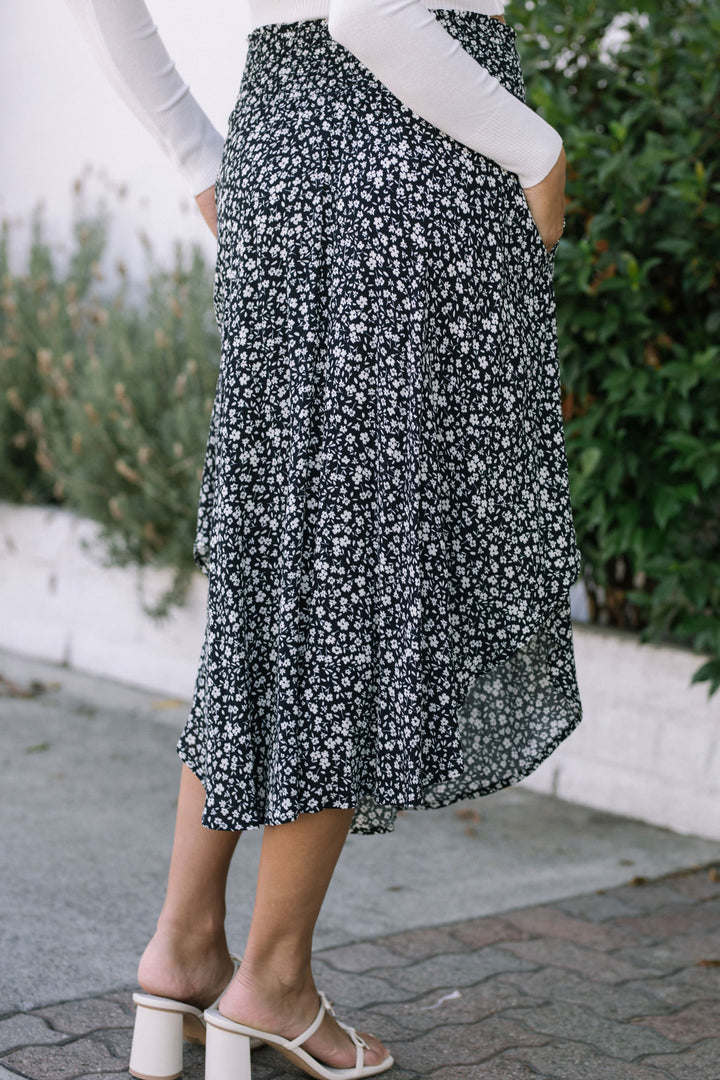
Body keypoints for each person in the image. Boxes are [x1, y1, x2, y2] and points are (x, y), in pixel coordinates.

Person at [65, 1, 583, 1077]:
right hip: (415, 154)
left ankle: (187, 949)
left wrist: (197, 150)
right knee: (364, 572)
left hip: (284, 145)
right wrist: (537, 145)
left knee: (284, 574)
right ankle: (275, 979)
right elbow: (374, 13)